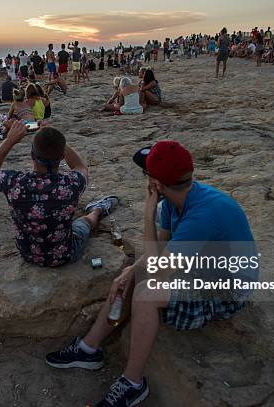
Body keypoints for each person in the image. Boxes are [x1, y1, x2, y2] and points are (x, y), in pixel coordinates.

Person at [45, 140, 257, 407]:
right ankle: (89, 349)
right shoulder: (177, 198)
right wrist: (131, 271)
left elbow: (157, 272)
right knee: (131, 274)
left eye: (146, 174)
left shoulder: (202, 215)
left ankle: (133, 382)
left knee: (146, 293)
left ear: (156, 184)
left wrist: (147, 212)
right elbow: (161, 249)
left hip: (228, 288)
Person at [0, 123, 118, 267]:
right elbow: (80, 166)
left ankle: (94, 211)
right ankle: (97, 210)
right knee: (84, 222)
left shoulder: (14, 183)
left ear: (32, 155)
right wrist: (58, 140)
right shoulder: (72, 184)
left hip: (28, 254)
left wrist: (10, 140)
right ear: (62, 156)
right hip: (64, 255)